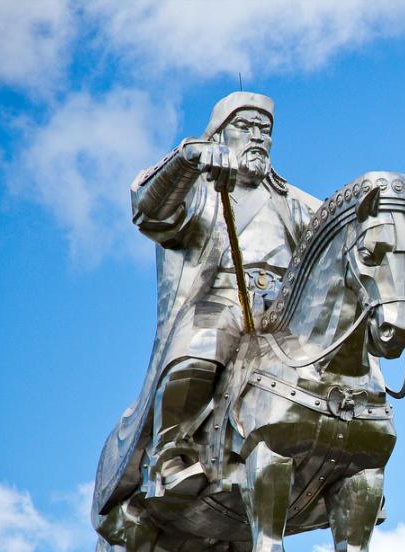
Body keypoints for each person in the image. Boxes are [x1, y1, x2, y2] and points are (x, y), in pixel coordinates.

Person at [94, 92, 320, 510]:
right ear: (220, 132)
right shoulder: (200, 189)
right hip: (219, 300)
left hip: (284, 309)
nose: (257, 137)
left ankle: (350, 459)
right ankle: (171, 453)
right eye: (245, 127)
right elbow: (150, 210)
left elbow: (336, 234)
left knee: (342, 347)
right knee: (202, 346)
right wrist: (188, 159)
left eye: (265, 130)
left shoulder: (294, 201)